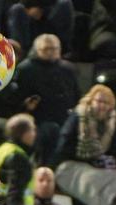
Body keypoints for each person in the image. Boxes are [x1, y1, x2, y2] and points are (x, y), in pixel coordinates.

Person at [53, 85, 116, 205]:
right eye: (99, 101)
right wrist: (91, 157)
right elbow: (63, 148)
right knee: (101, 181)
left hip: (100, 168)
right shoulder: (79, 117)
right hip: (70, 166)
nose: (102, 106)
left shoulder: (112, 124)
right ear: (91, 101)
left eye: (106, 103)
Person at [12, 33, 79, 163]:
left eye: (54, 49)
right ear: (37, 50)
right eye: (46, 49)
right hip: (36, 119)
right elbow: (16, 98)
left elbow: (76, 95)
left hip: (64, 117)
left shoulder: (68, 69)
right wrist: (26, 104)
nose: (50, 52)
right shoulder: (25, 69)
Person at [0, 114, 36, 205]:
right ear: (24, 133)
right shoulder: (18, 156)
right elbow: (15, 192)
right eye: (32, 130)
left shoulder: (0, 151)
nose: (34, 134)